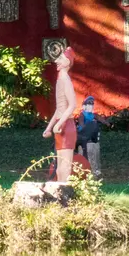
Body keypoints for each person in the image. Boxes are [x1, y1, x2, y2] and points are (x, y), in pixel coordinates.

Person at [43, 44, 79, 182]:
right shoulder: (60, 80)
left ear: (67, 62)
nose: (57, 61)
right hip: (60, 125)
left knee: (65, 166)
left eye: (60, 59)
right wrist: (49, 127)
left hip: (66, 126)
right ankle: (59, 194)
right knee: (59, 167)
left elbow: (72, 105)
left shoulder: (65, 80)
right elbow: (59, 108)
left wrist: (60, 123)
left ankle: (64, 195)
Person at [75, 95, 102, 174]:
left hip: (91, 134)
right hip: (82, 134)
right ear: (84, 106)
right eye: (89, 104)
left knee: (95, 125)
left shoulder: (93, 115)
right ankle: (85, 167)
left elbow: (100, 119)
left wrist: (107, 123)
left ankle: (95, 169)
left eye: (92, 104)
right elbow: (81, 123)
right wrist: (84, 127)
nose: (91, 106)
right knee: (85, 150)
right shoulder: (82, 114)